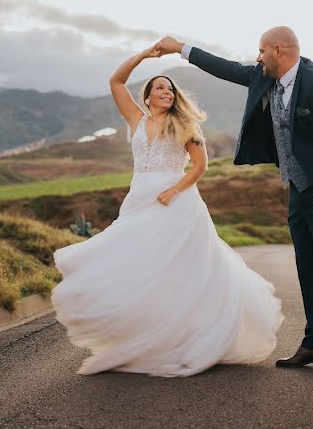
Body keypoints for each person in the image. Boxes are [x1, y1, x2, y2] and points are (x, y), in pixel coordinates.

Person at [154, 28, 313, 378]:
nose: (257, 56)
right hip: (297, 189)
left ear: (279, 50)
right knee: (309, 267)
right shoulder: (266, 78)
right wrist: (180, 49)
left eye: (262, 50)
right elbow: (226, 68)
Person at [50, 45, 284, 377]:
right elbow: (116, 81)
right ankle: (141, 335)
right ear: (147, 97)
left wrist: (173, 191)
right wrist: (145, 55)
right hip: (138, 200)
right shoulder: (135, 119)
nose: (167, 92)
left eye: (171, 89)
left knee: (179, 271)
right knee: (139, 268)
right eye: (160, 88)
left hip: (178, 201)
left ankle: (186, 337)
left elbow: (200, 167)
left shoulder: (186, 124)